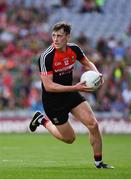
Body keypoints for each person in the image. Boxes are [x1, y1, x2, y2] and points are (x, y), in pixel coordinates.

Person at [29, 21, 114, 169]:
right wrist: (75, 87)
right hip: (53, 101)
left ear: (67, 37)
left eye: (59, 36)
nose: (55, 39)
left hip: (70, 94)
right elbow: (49, 87)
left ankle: (99, 163)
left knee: (93, 124)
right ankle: (42, 120)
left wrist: (97, 74)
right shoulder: (46, 57)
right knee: (69, 139)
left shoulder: (74, 49)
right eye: (53, 35)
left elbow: (87, 63)